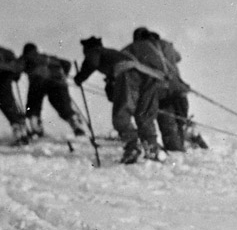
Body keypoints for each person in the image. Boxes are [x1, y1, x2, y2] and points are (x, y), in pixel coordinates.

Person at [74, 35, 164, 163]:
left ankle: (132, 148)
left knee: (121, 115)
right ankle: (152, 149)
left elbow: (92, 62)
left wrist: (80, 77)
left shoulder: (95, 51)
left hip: (128, 74)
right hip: (149, 75)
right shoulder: (114, 53)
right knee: (144, 115)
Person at [127, 28, 207, 151]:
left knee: (168, 127)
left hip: (161, 91)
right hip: (179, 89)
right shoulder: (164, 44)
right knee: (180, 122)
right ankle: (191, 138)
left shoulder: (137, 47)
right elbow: (178, 57)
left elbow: (123, 58)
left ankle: (176, 151)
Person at [17, 43, 86, 138]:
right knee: (63, 105)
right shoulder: (48, 57)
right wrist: (63, 75)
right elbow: (67, 63)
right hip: (58, 81)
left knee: (33, 105)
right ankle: (75, 124)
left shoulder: (26, 57)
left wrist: (15, 76)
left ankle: (36, 128)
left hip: (38, 81)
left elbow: (17, 67)